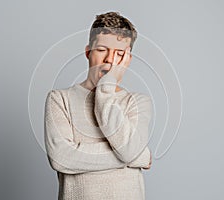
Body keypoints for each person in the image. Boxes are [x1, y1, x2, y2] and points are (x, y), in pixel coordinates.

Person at [44, 11, 153, 200]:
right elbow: (61, 158)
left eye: (119, 54)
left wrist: (107, 86)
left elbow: (128, 149)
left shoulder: (138, 102)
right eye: (102, 50)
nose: (110, 60)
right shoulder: (59, 99)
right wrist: (138, 157)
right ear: (88, 52)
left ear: (127, 61)